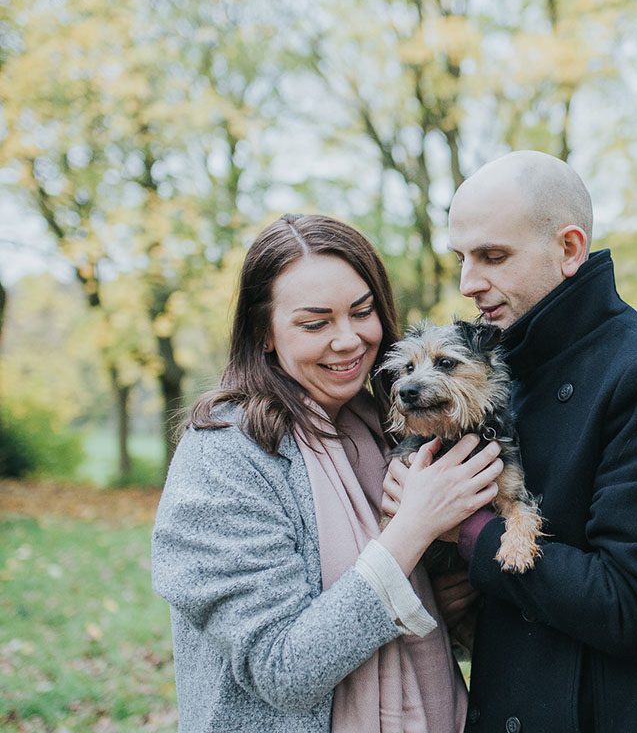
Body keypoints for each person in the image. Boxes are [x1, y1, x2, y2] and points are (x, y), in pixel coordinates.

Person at [385, 151, 637, 731]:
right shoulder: (497, 375)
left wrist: (464, 526)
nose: (469, 283)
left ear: (569, 249)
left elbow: (631, 605)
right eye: (462, 258)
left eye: (494, 256)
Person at [151, 213, 504, 733]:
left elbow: (379, 615)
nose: (349, 341)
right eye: (315, 324)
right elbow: (282, 670)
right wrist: (415, 526)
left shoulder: (385, 431)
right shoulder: (225, 456)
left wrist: (438, 606)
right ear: (263, 333)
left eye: (362, 313)